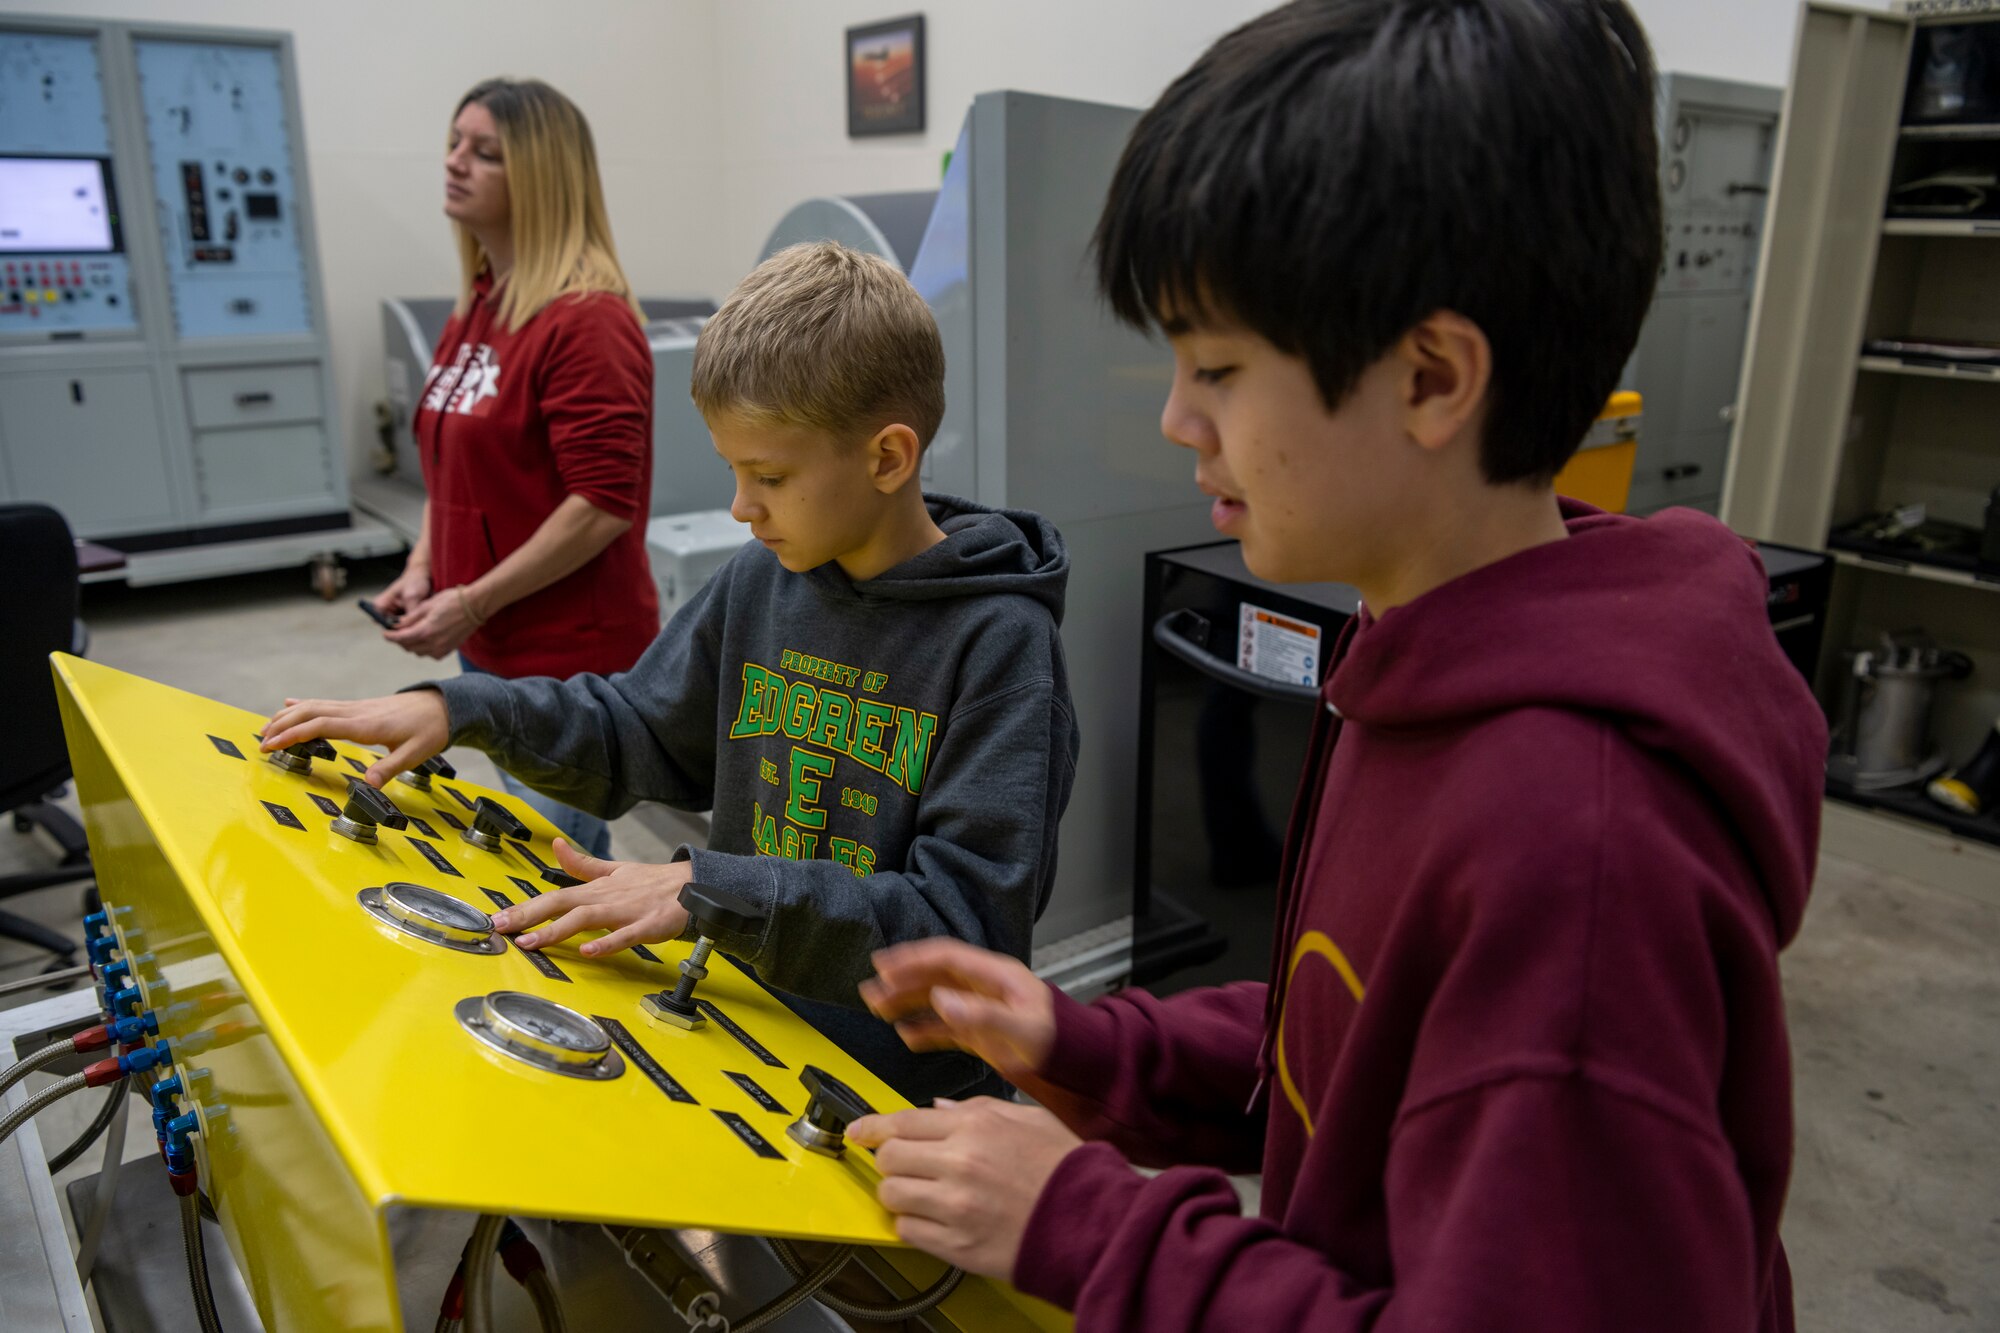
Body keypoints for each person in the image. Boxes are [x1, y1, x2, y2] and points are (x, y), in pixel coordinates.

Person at [844, 2, 1828, 1329]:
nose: (1177, 418)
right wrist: (1091, 1043)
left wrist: (1091, 1224)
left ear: (1431, 376)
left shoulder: (1577, 849)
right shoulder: (1421, 645)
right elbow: (1349, 1035)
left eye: (1220, 367)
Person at [263, 242, 1079, 1105]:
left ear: (886, 458)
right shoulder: (766, 577)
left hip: (894, 1091)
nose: (740, 505)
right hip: (740, 1020)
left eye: (768, 474)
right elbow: (638, 730)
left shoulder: (999, 643)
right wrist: (459, 709)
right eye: (734, 469)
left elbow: (965, 927)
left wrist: (713, 888)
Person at [371, 77, 660, 858]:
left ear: (541, 177)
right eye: (454, 143)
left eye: (485, 153)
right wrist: (425, 567)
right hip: (487, 635)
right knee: (520, 841)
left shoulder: (588, 322)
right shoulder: (477, 306)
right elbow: (449, 457)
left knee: (547, 858)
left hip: (564, 660)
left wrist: (471, 600)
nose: (455, 162)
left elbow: (602, 503)